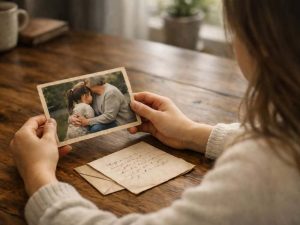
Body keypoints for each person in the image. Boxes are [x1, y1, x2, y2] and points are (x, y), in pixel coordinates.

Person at [9, 1, 300, 225]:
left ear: (262, 41)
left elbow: (269, 161)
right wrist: (196, 133)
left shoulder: (270, 165)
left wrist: (37, 174)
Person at [69, 77, 136, 133]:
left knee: (95, 128)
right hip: (105, 119)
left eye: (86, 80)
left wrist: (87, 122)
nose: (84, 82)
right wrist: (72, 118)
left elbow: (109, 117)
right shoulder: (92, 93)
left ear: (93, 81)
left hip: (119, 122)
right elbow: (78, 105)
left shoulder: (111, 92)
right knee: (85, 126)